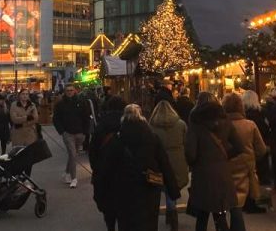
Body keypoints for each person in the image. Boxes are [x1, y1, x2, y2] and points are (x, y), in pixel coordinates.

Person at [96, 104, 180, 231]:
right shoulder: (152, 138)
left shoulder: (116, 140)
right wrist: (173, 190)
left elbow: (105, 170)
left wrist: (101, 197)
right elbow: (165, 164)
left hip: (124, 191)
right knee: (149, 223)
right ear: (142, 117)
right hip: (149, 189)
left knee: (126, 224)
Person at [186, 92, 245, 231]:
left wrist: (195, 163)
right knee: (220, 213)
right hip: (222, 173)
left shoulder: (195, 123)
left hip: (203, 175)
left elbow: (191, 154)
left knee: (202, 216)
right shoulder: (225, 121)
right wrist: (223, 156)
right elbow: (239, 146)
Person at [223, 93, 268, 217]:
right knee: (248, 183)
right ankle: (250, 204)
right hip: (247, 163)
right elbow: (261, 148)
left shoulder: (221, 126)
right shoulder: (250, 125)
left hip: (227, 162)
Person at [150, 100, 189, 231]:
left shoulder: (152, 126)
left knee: (165, 187)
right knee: (173, 187)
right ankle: (172, 217)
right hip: (178, 160)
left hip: (160, 162)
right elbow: (186, 142)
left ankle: (170, 214)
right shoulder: (181, 124)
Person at [90, 96, 126, 231]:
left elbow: (93, 149)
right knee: (124, 203)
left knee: (108, 202)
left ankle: (110, 226)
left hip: (104, 170)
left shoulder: (102, 124)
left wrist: (96, 167)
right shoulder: (128, 122)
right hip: (124, 169)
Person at [52, 83, 90, 188]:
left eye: (71, 90)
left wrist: (85, 132)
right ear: (65, 91)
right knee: (73, 154)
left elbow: (86, 117)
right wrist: (62, 131)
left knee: (73, 155)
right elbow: (56, 119)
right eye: (67, 90)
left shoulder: (81, 102)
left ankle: (67, 172)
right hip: (68, 133)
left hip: (80, 133)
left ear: (75, 91)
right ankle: (74, 178)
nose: (69, 92)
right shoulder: (60, 104)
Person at [242, 90, 271, 186]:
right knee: (263, 169)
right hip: (262, 145)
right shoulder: (263, 113)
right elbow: (267, 128)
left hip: (248, 146)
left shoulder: (243, 115)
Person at [10, 89, 39, 176]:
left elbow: (36, 119)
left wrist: (22, 121)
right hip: (18, 135)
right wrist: (27, 117)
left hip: (30, 135)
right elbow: (14, 119)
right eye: (23, 94)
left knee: (29, 157)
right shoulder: (14, 105)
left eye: (26, 94)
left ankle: (27, 177)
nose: (25, 96)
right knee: (18, 157)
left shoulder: (32, 105)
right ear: (19, 95)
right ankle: (19, 176)